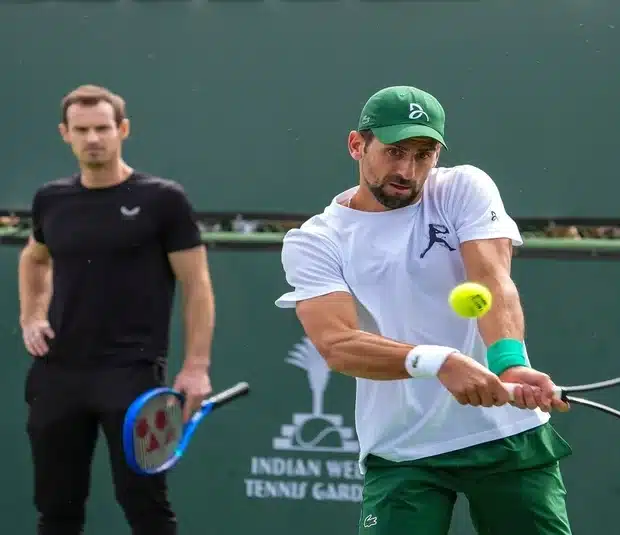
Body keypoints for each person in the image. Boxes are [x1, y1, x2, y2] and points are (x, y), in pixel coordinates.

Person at [275, 85, 574, 535]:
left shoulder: (463, 188)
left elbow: (492, 280)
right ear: (357, 144)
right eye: (395, 151)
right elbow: (337, 344)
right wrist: (440, 362)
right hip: (402, 451)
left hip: (505, 435)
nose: (407, 169)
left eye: (423, 154)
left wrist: (510, 363)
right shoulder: (316, 240)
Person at [17, 84, 215, 535]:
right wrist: (31, 315)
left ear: (122, 130)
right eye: (81, 129)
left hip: (133, 374)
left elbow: (197, 285)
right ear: (64, 133)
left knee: (145, 507)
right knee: (56, 509)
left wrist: (196, 366)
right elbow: (33, 257)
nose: (93, 138)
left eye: (103, 128)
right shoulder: (51, 199)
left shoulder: (163, 200)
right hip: (57, 374)